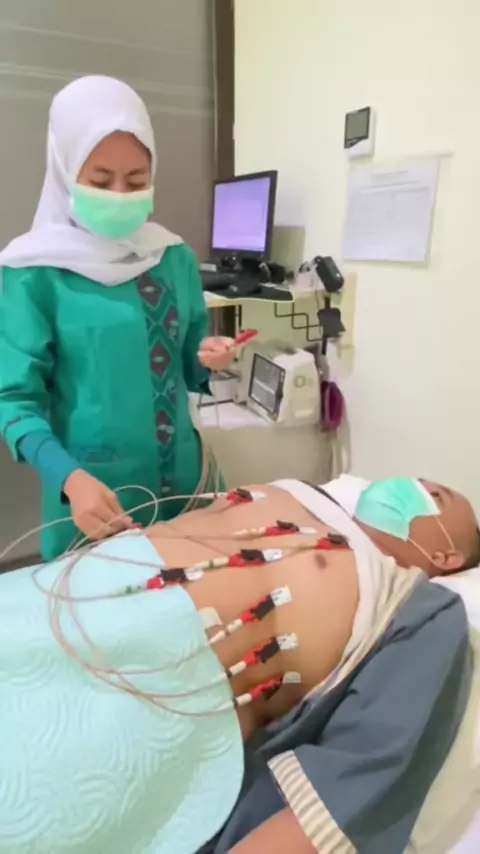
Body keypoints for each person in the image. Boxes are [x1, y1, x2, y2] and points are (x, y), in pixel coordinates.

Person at [0, 475, 476, 854]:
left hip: (133, 696)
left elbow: (361, 779)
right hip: (50, 598)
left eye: (440, 496)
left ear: (447, 556)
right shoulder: (306, 492)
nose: (419, 486)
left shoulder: (422, 609)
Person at [0, 76, 235, 560]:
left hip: (188, 486)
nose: (121, 195)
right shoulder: (32, 272)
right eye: (101, 181)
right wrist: (69, 479)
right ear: (65, 171)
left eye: (137, 180)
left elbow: (185, 361)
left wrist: (207, 357)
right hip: (93, 499)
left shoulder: (172, 257)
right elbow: (14, 401)